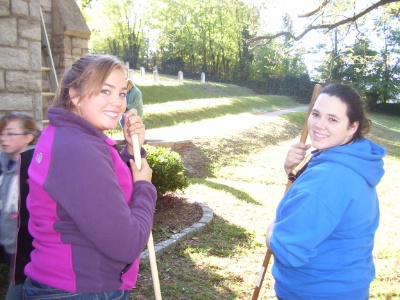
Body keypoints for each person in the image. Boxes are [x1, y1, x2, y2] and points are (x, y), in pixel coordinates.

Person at [23, 54, 157, 300]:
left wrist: (131, 150)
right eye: (105, 91)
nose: (117, 103)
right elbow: (127, 243)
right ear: (74, 95)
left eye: (121, 93)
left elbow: (97, 186)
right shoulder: (79, 148)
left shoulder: (66, 134)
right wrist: (144, 186)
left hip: (66, 282)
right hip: (82, 289)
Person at [266, 83, 386, 299]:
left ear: (352, 127)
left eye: (332, 119)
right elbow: (319, 207)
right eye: (316, 114)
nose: (319, 125)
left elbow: (288, 249)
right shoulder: (351, 157)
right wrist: (291, 172)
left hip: (317, 291)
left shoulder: (331, 175)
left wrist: (271, 230)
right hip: (345, 284)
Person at [0, 112, 41, 300]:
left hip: (27, 251)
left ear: (28, 138)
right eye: (2, 133)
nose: (3, 138)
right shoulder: (5, 164)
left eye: (10, 133)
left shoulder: (35, 168)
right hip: (7, 247)